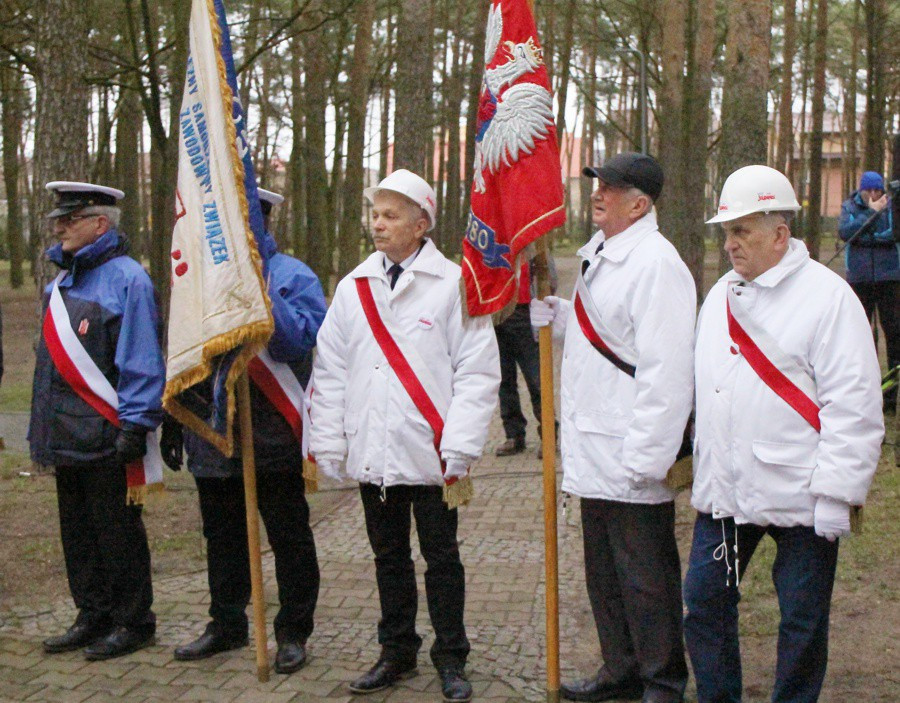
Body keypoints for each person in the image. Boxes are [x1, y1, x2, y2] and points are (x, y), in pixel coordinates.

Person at [686, 165, 884, 703]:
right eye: (725, 232)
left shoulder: (829, 298)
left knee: (801, 621)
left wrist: (839, 494)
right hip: (726, 492)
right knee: (704, 606)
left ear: (779, 233)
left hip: (804, 492)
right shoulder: (719, 298)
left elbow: (853, 404)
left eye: (741, 231)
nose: (729, 244)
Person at [310, 169, 500, 702]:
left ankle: (451, 658)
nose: (378, 224)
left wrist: (461, 444)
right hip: (375, 452)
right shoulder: (353, 287)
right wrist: (330, 441)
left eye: (391, 216)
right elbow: (330, 370)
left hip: (433, 452)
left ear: (421, 224)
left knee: (442, 560)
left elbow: (478, 370)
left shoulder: (455, 284)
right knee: (387, 558)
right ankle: (396, 651)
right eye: (375, 214)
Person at [531, 152, 694, 703]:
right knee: (604, 575)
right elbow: (606, 338)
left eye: (612, 187)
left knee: (646, 580)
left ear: (639, 204)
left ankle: (662, 681)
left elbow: (667, 370)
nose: (598, 192)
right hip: (596, 445)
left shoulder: (656, 262)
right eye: (599, 183)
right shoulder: (603, 252)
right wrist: (557, 318)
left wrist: (649, 456)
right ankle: (620, 669)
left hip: (631, 450)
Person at [163, 188, 327, 674]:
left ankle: (294, 631)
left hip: (274, 432)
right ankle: (227, 622)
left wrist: (260, 286)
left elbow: (300, 340)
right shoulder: (199, 280)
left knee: (289, 535)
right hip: (213, 432)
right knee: (223, 537)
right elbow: (182, 352)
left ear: (260, 221)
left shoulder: (295, 275)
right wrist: (172, 418)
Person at [30, 181, 165, 660]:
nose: (59, 226)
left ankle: (134, 621)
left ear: (99, 224)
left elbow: (142, 357)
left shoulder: (129, 280)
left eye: (70, 218)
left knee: (117, 533)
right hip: (64, 432)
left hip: (107, 432)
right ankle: (92, 614)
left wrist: (135, 424)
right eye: (59, 219)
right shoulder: (59, 283)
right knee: (78, 534)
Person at [838, 170, 898, 410]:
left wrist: (865, 235)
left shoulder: (892, 206)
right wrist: (871, 215)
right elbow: (846, 232)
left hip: (889, 278)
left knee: (894, 334)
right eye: (869, 190)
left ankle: (891, 397)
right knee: (862, 336)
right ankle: (867, 394)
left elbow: (892, 234)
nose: (874, 195)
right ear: (861, 190)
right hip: (859, 279)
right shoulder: (850, 206)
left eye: (878, 190)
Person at [494, 257, 557, 458]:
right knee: (504, 380)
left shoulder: (532, 235)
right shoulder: (489, 235)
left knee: (537, 380)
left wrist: (541, 304)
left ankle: (549, 434)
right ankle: (513, 434)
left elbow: (549, 277)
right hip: (497, 313)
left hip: (525, 314)